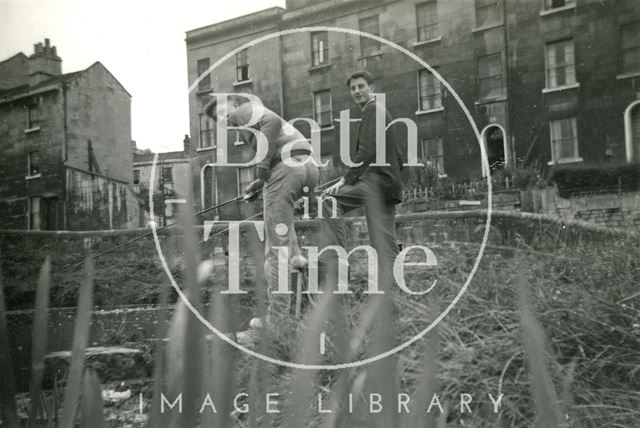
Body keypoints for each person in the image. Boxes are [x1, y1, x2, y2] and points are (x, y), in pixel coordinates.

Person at [204, 94, 318, 330]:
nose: (223, 117)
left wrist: (262, 169)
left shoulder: (244, 110)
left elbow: (273, 122)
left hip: (284, 168)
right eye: (217, 118)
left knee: (275, 250)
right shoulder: (248, 116)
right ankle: (304, 304)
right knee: (288, 243)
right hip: (305, 167)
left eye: (223, 110)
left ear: (234, 103)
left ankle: (277, 321)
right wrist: (261, 182)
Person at [322, 71, 404, 291]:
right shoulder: (380, 111)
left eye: (361, 86)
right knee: (384, 242)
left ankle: (341, 269)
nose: (357, 91)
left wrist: (346, 179)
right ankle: (394, 296)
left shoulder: (372, 110)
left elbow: (366, 151)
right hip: (388, 185)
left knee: (328, 201)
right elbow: (397, 155)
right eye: (353, 88)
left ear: (372, 88)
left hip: (378, 184)